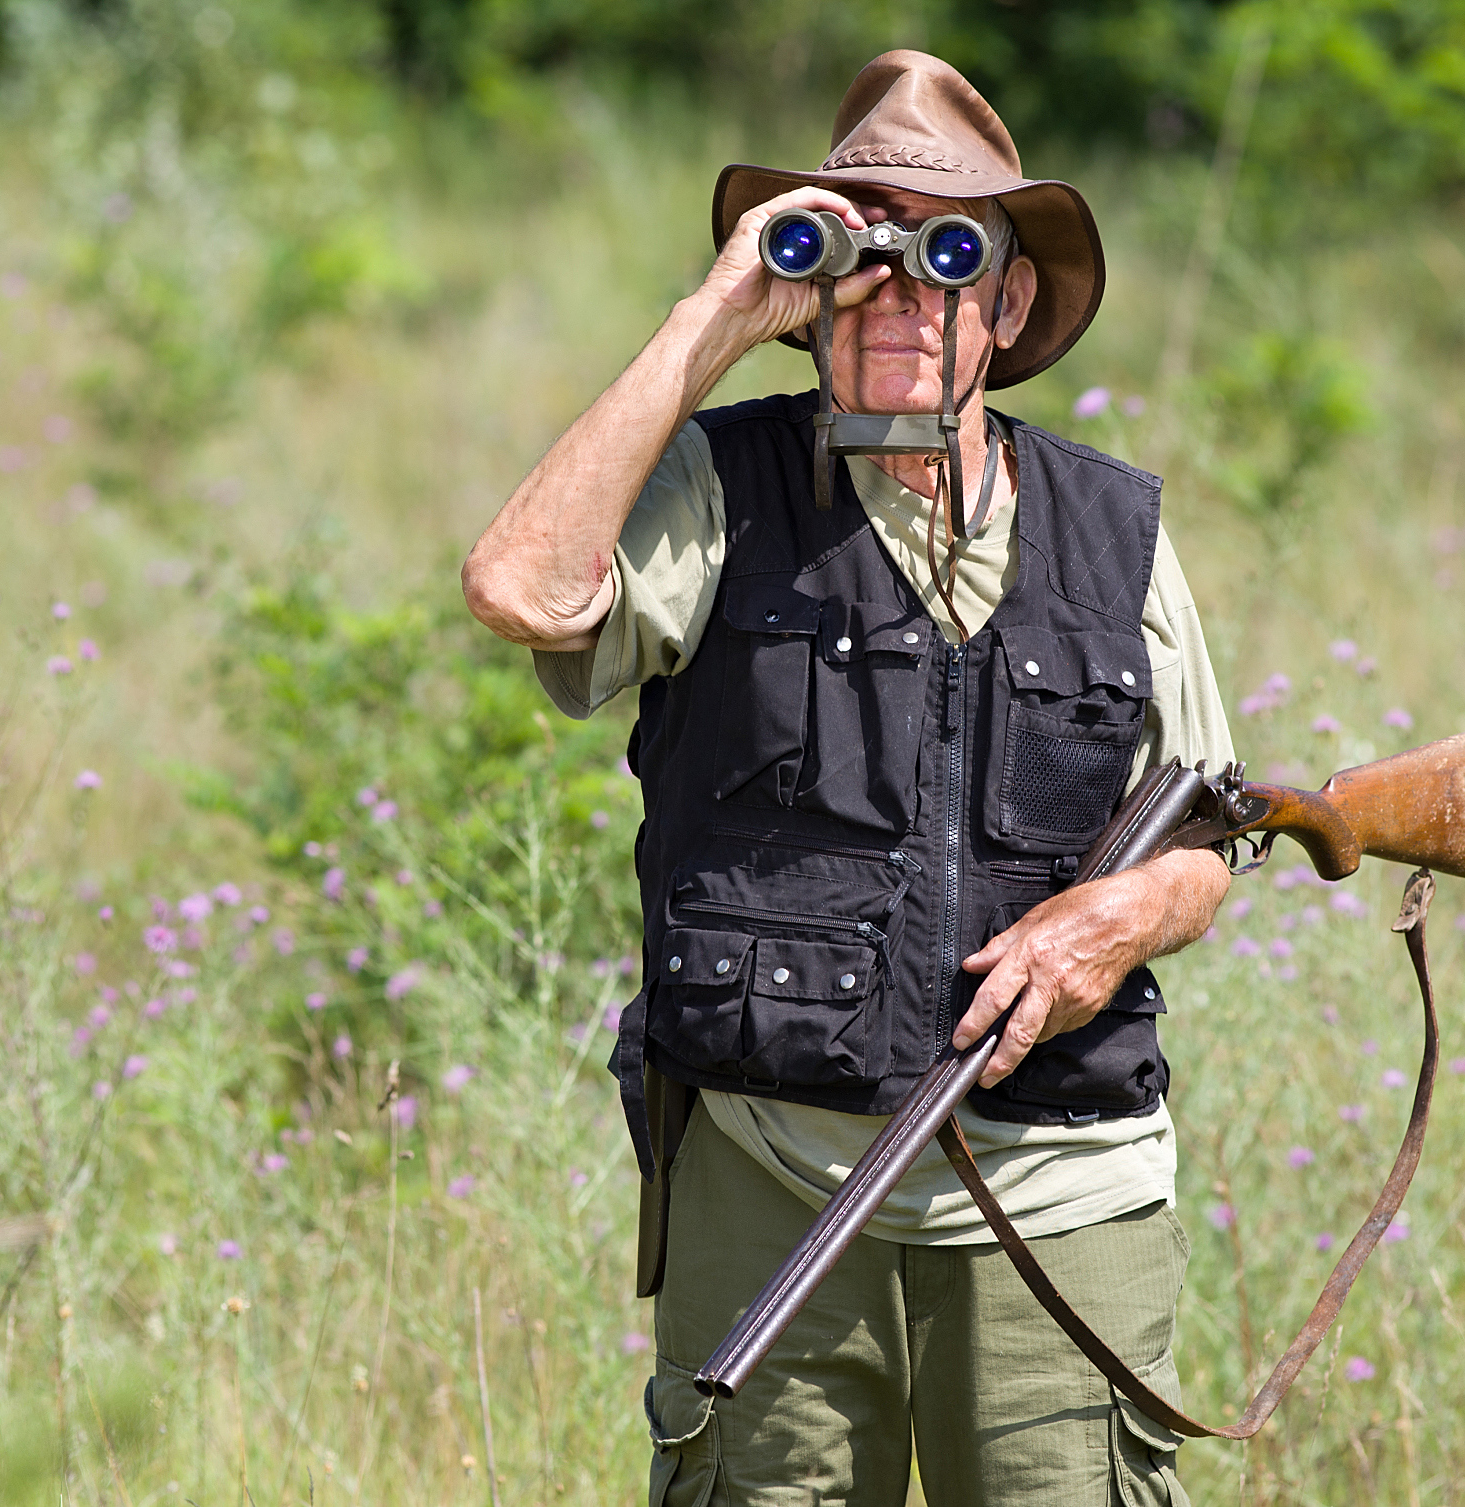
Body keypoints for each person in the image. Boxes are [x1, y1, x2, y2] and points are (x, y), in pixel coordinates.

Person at [464, 49, 1234, 1507]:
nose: (901, 301)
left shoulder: (1110, 529)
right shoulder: (720, 486)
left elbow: (1206, 833)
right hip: (775, 1182)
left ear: (1008, 306)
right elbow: (517, 588)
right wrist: (717, 314)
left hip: (1060, 1195)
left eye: (949, 257)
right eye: (855, 255)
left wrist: (1115, 924)